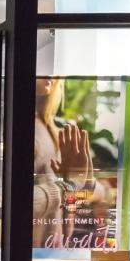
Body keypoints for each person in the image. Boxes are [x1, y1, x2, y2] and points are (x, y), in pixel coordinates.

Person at [33, 77, 106, 249]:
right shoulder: (8, 127)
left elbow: (99, 193)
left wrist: (85, 182)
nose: (53, 76)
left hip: (53, 254)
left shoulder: (52, 130)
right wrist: (71, 184)